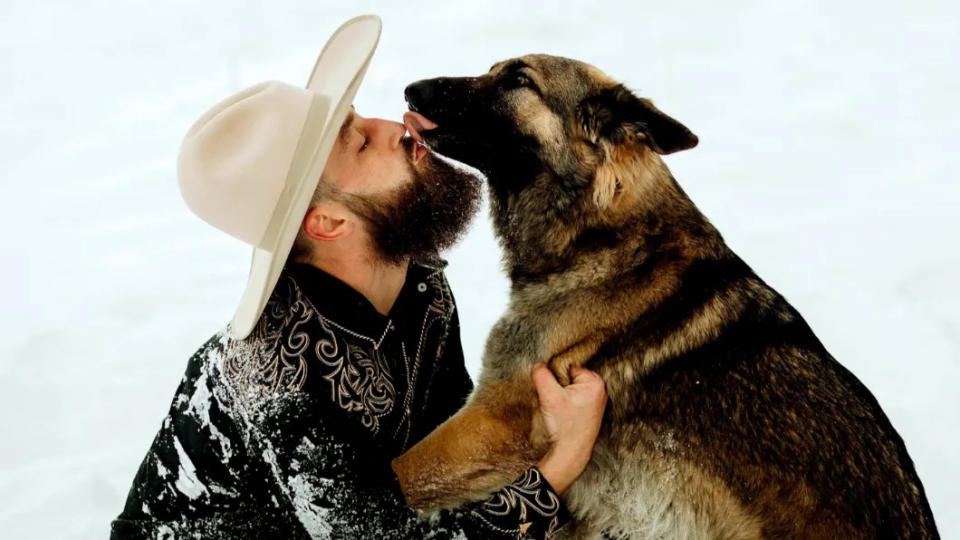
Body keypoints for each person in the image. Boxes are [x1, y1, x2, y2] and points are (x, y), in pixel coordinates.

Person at [110, 15, 607, 540]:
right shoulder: (280, 383)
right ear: (327, 223)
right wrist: (559, 465)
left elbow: (444, 449)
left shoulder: (416, 275)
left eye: (363, 119)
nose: (397, 127)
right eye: (361, 143)